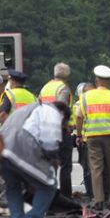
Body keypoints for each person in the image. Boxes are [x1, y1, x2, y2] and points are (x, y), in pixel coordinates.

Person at [0, 101, 69, 218]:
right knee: (48, 186)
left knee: (13, 187)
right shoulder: (52, 112)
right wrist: (52, 162)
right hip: (20, 148)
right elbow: (50, 143)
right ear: (63, 115)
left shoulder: (27, 110)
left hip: (1, 149)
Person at [75, 66, 110, 216]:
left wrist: (79, 135)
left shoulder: (85, 97)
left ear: (96, 80)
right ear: (109, 81)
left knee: (96, 169)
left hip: (92, 137)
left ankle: (98, 200)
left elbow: (79, 117)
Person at [38, 63, 74, 197]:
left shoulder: (45, 88)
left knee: (50, 165)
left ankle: (48, 195)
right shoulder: (63, 89)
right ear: (68, 75)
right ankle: (65, 196)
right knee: (65, 166)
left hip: (45, 131)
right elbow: (62, 109)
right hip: (60, 131)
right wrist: (65, 126)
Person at [74, 82, 94, 199]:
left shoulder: (78, 103)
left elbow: (76, 120)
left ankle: (90, 192)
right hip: (95, 137)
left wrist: (78, 136)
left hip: (85, 139)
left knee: (87, 167)